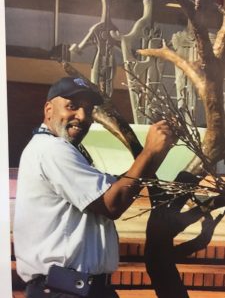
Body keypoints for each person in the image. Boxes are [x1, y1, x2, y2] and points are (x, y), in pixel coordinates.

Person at [13, 76, 176, 298]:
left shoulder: (60, 151)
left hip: (82, 288)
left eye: (87, 110)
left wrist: (157, 153)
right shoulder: (52, 150)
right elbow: (112, 203)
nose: (81, 116)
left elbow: (122, 186)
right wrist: (148, 152)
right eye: (72, 106)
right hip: (65, 290)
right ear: (48, 109)